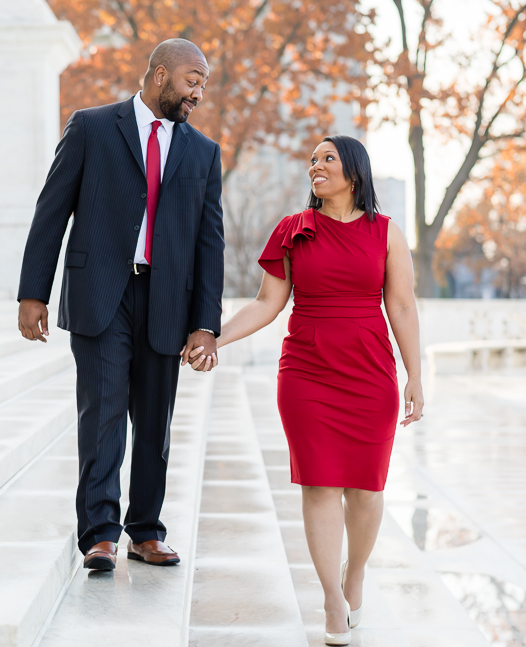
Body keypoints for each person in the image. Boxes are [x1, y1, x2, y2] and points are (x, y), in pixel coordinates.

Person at [194, 135, 423, 644]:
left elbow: (402, 307)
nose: (315, 166)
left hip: (370, 373)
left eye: (327, 159)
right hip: (307, 372)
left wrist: (416, 376)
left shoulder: (386, 233)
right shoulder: (293, 232)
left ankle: (355, 574)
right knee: (319, 484)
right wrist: (216, 337)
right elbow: (266, 303)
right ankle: (331, 600)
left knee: (366, 490)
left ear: (354, 172)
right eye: (312, 160)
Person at [16, 39, 225, 571]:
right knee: (103, 416)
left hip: (167, 302)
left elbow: (210, 243)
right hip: (101, 295)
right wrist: (32, 292)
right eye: (191, 80)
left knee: (154, 426)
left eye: (202, 83)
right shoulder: (91, 127)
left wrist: (205, 324)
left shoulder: (203, 152)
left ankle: (146, 530)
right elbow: (51, 211)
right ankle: (100, 533)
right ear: (159, 76)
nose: (198, 92)